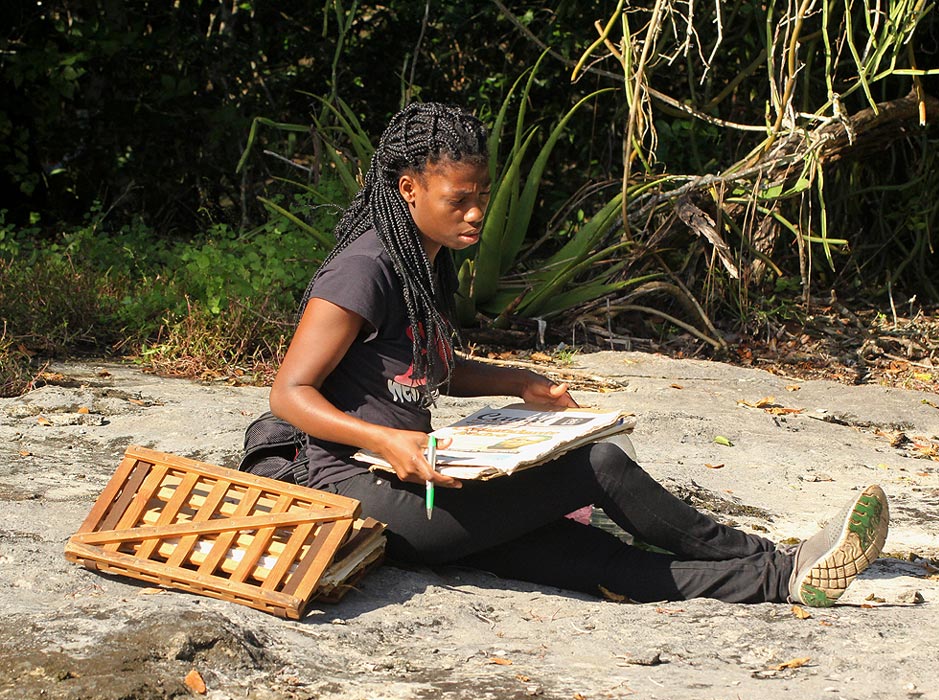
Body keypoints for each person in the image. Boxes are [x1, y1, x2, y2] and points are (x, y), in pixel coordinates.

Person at [269, 102, 889, 607]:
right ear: (408, 189)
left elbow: (420, 364)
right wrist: (385, 442)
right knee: (601, 466)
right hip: (368, 493)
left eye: (482, 194)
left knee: (584, 558)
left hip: (426, 490)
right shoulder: (364, 269)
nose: (477, 212)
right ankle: (764, 554)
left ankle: (783, 582)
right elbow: (288, 393)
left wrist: (518, 382)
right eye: (459, 199)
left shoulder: (421, 262)